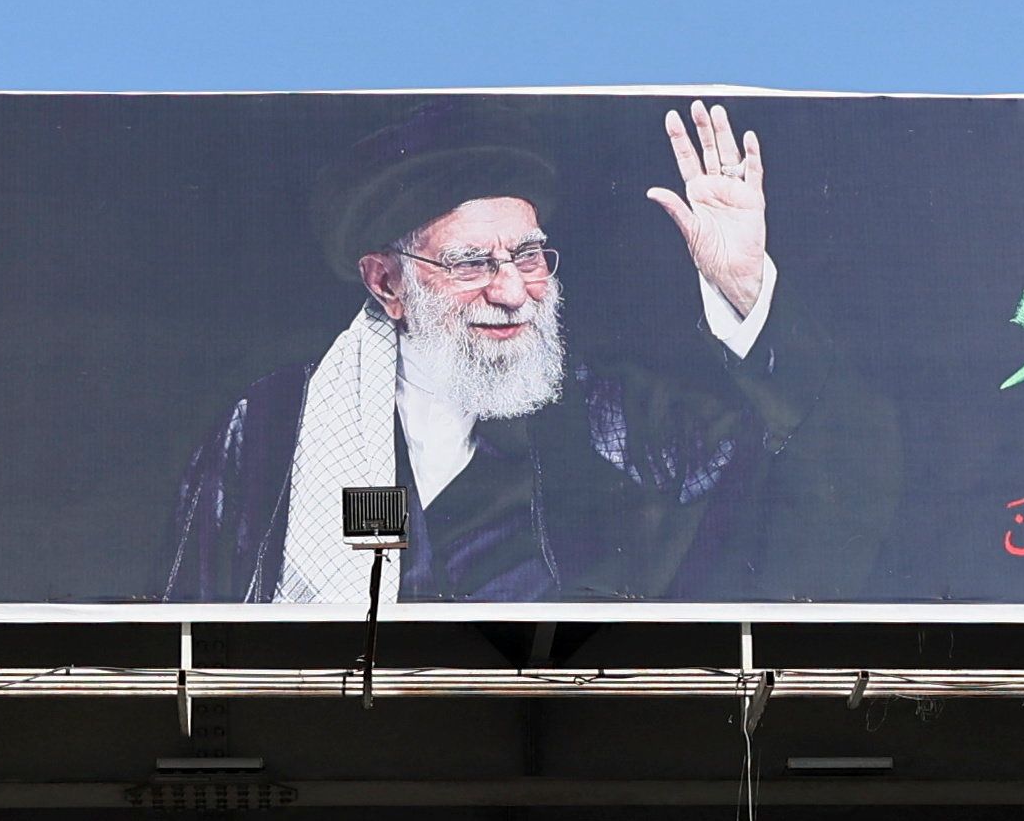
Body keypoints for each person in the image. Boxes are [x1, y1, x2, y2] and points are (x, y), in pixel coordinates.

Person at [160, 101, 789, 607]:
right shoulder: (273, 424)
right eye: (469, 263)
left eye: (528, 255)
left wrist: (742, 294)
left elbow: (772, 467)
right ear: (386, 284)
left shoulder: (610, 413)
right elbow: (189, 624)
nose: (513, 291)